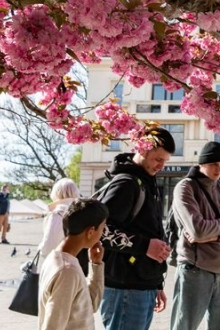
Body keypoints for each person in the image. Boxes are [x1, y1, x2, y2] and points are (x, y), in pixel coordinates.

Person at [99, 127, 174, 330]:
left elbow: (151, 232)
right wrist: (146, 246)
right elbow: (101, 231)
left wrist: (156, 282)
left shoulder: (146, 183)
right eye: (158, 159)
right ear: (142, 150)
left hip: (142, 284)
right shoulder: (126, 184)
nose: (161, 165)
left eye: (166, 161)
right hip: (124, 286)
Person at [170, 141, 220, 330]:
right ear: (202, 164)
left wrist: (215, 237)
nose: (219, 169)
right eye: (214, 164)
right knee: (184, 325)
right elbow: (198, 230)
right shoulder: (185, 187)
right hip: (194, 269)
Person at [38, 198, 108, 330]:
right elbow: (53, 325)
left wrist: (96, 265)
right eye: (102, 228)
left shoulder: (58, 259)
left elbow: (90, 304)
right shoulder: (67, 270)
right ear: (91, 231)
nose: (102, 234)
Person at [39, 178, 88, 273]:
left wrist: (41, 249)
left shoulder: (58, 213)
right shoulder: (83, 211)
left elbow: (49, 246)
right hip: (80, 266)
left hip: (60, 267)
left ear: (56, 193)